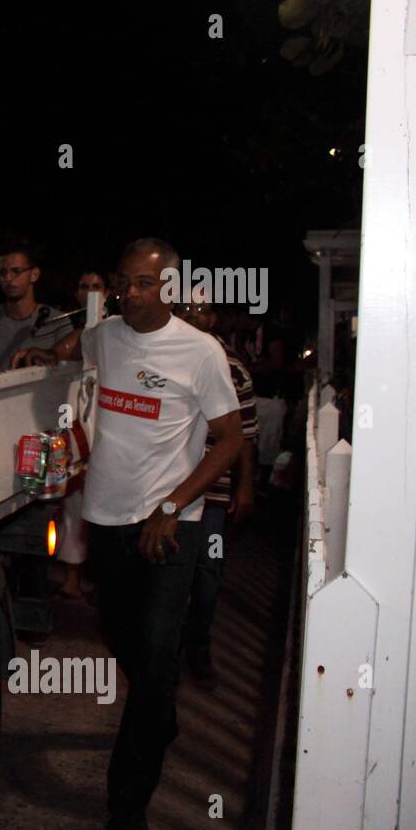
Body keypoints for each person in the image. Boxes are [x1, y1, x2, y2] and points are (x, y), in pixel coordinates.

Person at [13, 238, 244, 830]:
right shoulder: (108, 334)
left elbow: (229, 439)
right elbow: (76, 347)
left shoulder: (201, 352)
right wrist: (46, 350)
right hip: (105, 521)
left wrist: (172, 506)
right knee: (128, 646)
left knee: (156, 657)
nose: (130, 293)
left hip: (169, 529)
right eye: (124, 282)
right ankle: (159, 712)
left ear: (168, 288)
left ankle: (126, 803)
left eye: (144, 283)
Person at [174, 293, 259, 688]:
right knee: (169, 568)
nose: (195, 318)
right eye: (187, 311)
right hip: (171, 490)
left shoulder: (234, 369)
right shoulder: (168, 359)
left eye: (202, 312)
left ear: (214, 318)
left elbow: (246, 437)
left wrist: (245, 487)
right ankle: (165, 649)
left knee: (208, 570)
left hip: (214, 496)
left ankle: (199, 649)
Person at [55, 268, 111, 599]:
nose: (90, 291)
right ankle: (72, 577)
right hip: (79, 424)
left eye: (97, 286)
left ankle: (104, 581)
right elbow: (61, 353)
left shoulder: (119, 329)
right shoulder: (67, 328)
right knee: (75, 503)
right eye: (83, 286)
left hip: (113, 428)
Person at [0, 244, 72, 369]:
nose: (8, 278)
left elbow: (68, 368)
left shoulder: (57, 321)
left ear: (34, 274)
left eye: (16, 271)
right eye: (2, 272)